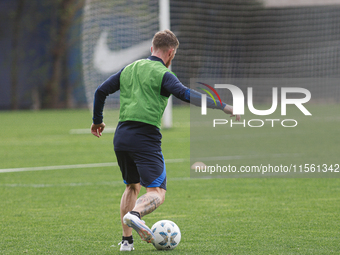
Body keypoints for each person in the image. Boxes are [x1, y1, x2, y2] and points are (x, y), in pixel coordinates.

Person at [90, 29, 240, 252]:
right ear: (171, 53)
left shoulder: (130, 68)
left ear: (152, 48)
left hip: (121, 136)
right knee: (157, 192)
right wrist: (223, 106)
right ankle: (135, 215)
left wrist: (97, 121)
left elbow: (101, 91)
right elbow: (187, 94)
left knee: (132, 186)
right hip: (145, 138)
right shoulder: (163, 74)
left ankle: (126, 242)